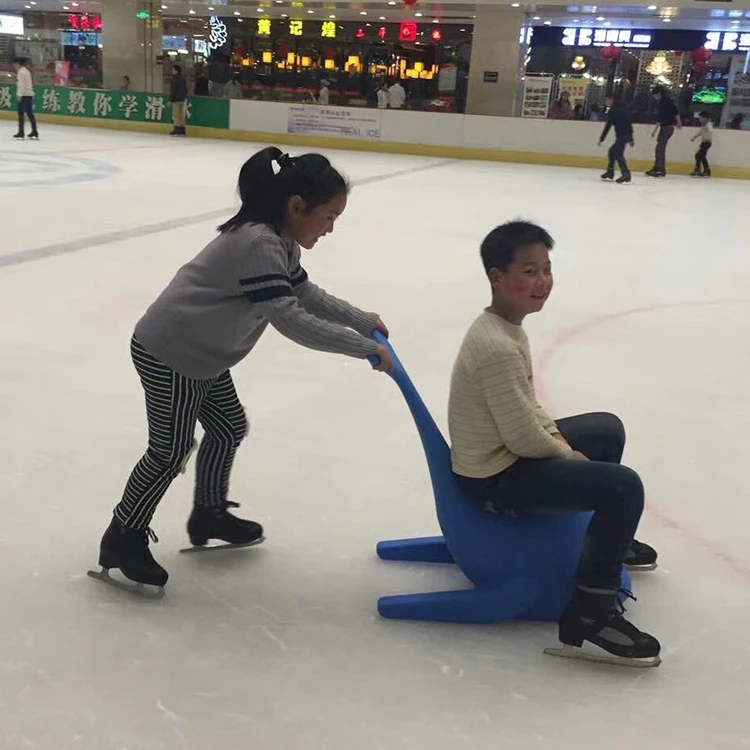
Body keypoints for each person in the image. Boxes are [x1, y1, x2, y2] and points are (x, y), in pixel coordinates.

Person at [91, 147, 393, 592]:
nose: (330, 229)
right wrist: (360, 346)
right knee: (170, 450)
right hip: (171, 352)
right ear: (295, 206)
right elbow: (288, 317)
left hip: (205, 355)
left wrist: (361, 318)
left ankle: (209, 513)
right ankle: (123, 535)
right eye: (328, 216)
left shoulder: (280, 240)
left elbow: (307, 295)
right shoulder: (258, 243)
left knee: (229, 427)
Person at [448, 221, 660, 666]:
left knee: (606, 429)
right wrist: (567, 454)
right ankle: (591, 611)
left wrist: (560, 439)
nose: (542, 281)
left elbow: (528, 409)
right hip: (495, 480)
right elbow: (523, 437)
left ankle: (608, 545)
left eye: (546, 268)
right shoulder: (496, 346)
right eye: (528, 270)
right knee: (623, 487)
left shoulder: (505, 327)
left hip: (502, 457)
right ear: (495, 277)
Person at [598, 93, 634, 185]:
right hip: (624, 135)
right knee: (612, 151)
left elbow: (608, 125)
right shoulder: (622, 109)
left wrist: (602, 138)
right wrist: (630, 138)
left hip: (622, 135)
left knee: (618, 154)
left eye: (607, 101)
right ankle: (610, 172)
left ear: (611, 100)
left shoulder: (614, 110)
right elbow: (629, 123)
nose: (606, 103)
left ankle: (626, 174)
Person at [647, 85, 681, 177]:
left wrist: (655, 129)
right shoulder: (666, 101)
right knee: (659, 148)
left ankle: (660, 168)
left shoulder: (663, 103)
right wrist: (678, 122)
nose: (654, 97)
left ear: (658, 94)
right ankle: (657, 167)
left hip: (666, 127)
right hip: (667, 127)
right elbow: (674, 112)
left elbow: (662, 117)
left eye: (654, 95)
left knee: (660, 148)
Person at [13, 57, 38, 141]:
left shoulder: (21, 72)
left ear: (18, 64)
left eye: (15, 64)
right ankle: (34, 131)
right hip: (29, 94)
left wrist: (19, 95)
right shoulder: (27, 71)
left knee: (21, 114)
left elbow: (21, 85)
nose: (14, 66)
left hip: (24, 95)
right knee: (30, 114)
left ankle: (21, 133)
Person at [690, 110, 713, 178]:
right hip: (704, 142)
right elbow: (700, 132)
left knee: (699, 155)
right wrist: (694, 137)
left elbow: (710, 130)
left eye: (700, 118)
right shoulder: (703, 125)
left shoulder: (708, 124)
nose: (699, 119)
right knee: (700, 156)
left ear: (705, 118)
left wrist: (708, 132)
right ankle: (704, 170)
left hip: (707, 142)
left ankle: (701, 170)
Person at [169, 64, 188, 136]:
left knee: (176, 115)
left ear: (176, 71)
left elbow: (173, 90)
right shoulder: (183, 79)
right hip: (182, 99)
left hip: (176, 99)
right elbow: (186, 89)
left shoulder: (174, 80)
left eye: (173, 70)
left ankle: (177, 129)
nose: (172, 71)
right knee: (182, 115)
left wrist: (171, 100)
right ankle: (183, 129)